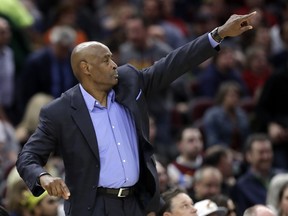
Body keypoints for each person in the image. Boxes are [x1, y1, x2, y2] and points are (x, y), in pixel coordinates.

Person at [16, 11, 257, 216]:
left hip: (136, 203)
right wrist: (43, 177)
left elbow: (173, 64)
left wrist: (218, 34)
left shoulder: (130, 81)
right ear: (86, 68)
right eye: (106, 60)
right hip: (93, 206)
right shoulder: (60, 110)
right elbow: (28, 156)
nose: (114, 64)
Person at [232, 133, 284, 215]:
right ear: (249, 156)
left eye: (268, 151)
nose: (266, 157)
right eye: (261, 153)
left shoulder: (283, 177)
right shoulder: (241, 187)